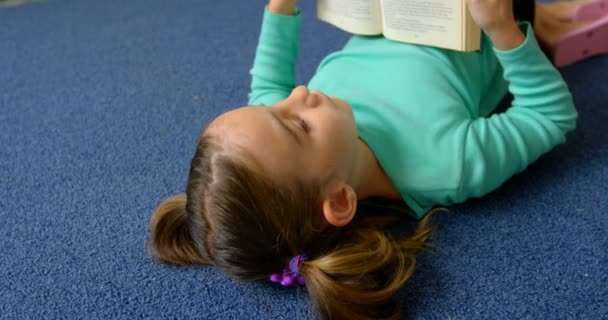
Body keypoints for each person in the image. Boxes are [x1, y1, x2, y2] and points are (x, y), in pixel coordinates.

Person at [149, 0, 604, 319]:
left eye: (274, 108)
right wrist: (504, 31)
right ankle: (548, 26)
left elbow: (266, 82)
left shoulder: (303, 124)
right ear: (341, 201)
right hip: (487, 22)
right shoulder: (442, 163)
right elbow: (550, 116)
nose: (299, 94)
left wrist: (280, 7)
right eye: (298, 125)